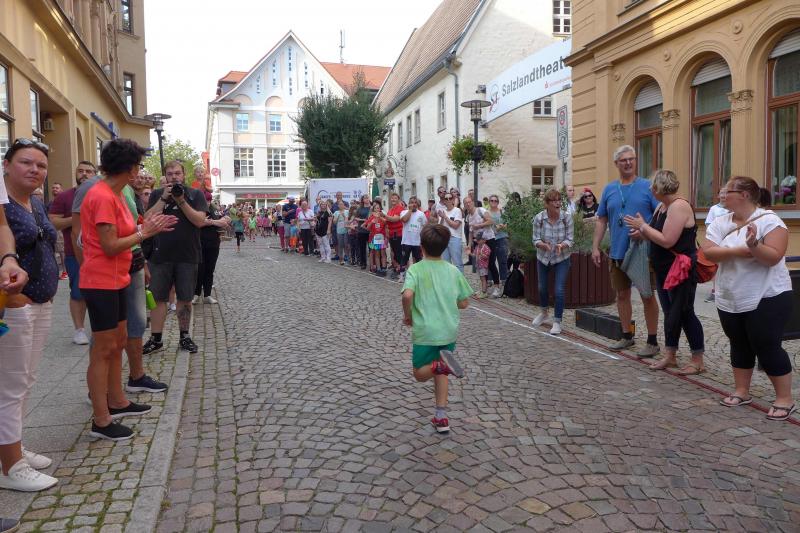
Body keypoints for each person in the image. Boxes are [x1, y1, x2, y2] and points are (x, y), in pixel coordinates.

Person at [78, 139, 176, 441]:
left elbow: (129, 230)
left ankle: (118, 401)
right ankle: (101, 419)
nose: (140, 172)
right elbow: (109, 245)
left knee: (118, 341)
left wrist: (148, 226)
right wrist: (144, 232)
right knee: (103, 349)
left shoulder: (117, 194)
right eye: (138, 166)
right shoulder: (101, 195)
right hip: (100, 281)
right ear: (129, 168)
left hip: (118, 278)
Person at [702, 176, 795, 421]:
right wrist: (739, 250)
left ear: (744, 195)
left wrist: (754, 245)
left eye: (727, 191)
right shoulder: (721, 222)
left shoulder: (770, 221)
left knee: (766, 344)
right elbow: (708, 252)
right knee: (738, 342)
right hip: (731, 295)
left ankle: (785, 399)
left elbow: (773, 257)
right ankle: (742, 391)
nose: (722, 195)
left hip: (768, 294)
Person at [0, 138, 56, 491]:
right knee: (10, 385)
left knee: (26, 380)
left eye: (41, 165)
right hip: (15, 302)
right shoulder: (3, 203)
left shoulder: (34, 202)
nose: (35, 169)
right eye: (26, 162)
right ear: (6, 165)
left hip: (41, 301)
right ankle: (11, 467)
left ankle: (12, 447)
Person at [625, 170, 705, 374]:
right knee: (670, 313)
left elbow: (667, 240)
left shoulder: (679, 206)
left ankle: (697, 360)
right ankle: (670, 355)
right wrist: (641, 231)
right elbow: (654, 233)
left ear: (660, 188)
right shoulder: (662, 207)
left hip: (680, 271)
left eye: (652, 186)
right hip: (663, 269)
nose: (650, 190)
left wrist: (643, 227)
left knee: (685, 312)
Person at [401, 224, 473, 433]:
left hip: (426, 331)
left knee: (420, 373)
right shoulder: (453, 270)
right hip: (448, 330)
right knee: (442, 370)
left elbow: (407, 295)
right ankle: (441, 416)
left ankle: (439, 366)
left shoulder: (416, 269)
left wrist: (408, 315)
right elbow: (464, 302)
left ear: (421, 247)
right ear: (445, 247)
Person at [592, 145, 660, 356]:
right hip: (618, 251)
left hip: (642, 252)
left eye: (632, 159)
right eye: (624, 160)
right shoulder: (609, 189)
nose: (628, 163)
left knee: (647, 295)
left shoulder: (647, 187)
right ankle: (626, 335)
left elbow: (660, 215)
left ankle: (652, 341)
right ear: (616, 164)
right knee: (622, 295)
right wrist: (595, 247)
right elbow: (602, 220)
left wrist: (644, 230)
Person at [143, 160, 209, 355]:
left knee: (185, 297)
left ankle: (184, 336)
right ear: (165, 176)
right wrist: (164, 198)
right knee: (158, 298)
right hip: (159, 255)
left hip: (187, 255)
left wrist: (181, 200)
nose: (174, 177)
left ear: (184, 174)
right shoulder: (157, 194)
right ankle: (156, 339)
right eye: (170, 174)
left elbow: (199, 221)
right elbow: (147, 219)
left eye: (177, 173)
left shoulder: (195, 194)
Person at [48, 160, 96, 345]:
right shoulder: (65, 196)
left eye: (89, 171)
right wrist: (76, 218)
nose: (84, 174)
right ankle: (79, 330)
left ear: (95, 174)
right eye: (81, 171)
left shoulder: (103, 194)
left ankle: (99, 327)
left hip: (102, 252)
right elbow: (54, 222)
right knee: (78, 292)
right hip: (74, 252)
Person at [531, 189, 574, 335]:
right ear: (547, 204)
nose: (557, 203)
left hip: (562, 257)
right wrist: (543, 245)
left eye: (559, 200)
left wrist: (562, 245)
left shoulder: (566, 218)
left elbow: (570, 239)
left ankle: (557, 322)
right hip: (543, 257)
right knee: (542, 287)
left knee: (559, 290)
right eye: (554, 201)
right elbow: (535, 239)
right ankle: (544, 313)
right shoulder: (539, 218)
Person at [194, 198, 229, 304]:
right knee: (200, 270)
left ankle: (207, 295)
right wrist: (211, 222)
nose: (207, 202)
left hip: (213, 244)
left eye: (209, 200)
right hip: (199, 243)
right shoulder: (197, 209)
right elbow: (197, 223)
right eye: (205, 199)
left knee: (210, 270)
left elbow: (225, 222)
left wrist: (211, 222)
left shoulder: (215, 209)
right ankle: (196, 294)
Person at [465, 196, 501, 295]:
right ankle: (484, 289)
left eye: (469, 202)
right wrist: (469, 244)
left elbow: (491, 221)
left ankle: (497, 287)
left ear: (473, 202)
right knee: (482, 265)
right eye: (466, 203)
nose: (468, 204)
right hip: (479, 243)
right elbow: (471, 232)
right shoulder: (468, 217)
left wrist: (479, 225)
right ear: (464, 205)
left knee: (491, 263)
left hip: (489, 239)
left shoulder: (481, 210)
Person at [703, 187, 729, 302]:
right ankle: (714, 291)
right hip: (717, 241)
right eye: (721, 193)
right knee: (716, 266)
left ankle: (726, 292)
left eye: (726, 193)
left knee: (728, 266)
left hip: (730, 241)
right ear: (718, 195)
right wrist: (711, 239)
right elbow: (708, 224)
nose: (723, 195)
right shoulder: (714, 209)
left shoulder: (732, 209)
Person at [396, 196, 427, 283]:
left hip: (417, 242)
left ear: (417, 204)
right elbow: (404, 220)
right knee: (404, 259)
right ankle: (402, 276)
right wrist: (410, 210)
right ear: (409, 204)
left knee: (418, 259)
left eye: (415, 202)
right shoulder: (404, 212)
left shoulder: (421, 214)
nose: (413, 204)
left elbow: (425, 226)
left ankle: (418, 276)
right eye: (412, 202)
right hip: (406, 241)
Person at [435, 193, 464, 273]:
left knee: (457, 263)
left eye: (450, 198)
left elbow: (455, 226)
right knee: (446, 263)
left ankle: (460, 280)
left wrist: (445, 217)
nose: (448, 200)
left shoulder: (457, 210)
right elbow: (440, 227)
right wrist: (442, 218)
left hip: (455, 238)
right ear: (444, 201)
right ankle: (449, 279)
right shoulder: (443, 211)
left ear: (453, 200)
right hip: (445, 239)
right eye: (446, 199)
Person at [487, 194, 509, 283]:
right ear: (489, 202)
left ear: (498, 202)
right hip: (490, 238)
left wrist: (502, 226)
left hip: (502, 237)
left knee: (503, 260)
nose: (494, 202)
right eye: (492, 200)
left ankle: (504, 279)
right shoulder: (486, 212)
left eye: (495, 201)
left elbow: (507, 224)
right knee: (490, 260)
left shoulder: (502, 212)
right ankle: (490, 279)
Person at [365, 200, 388, 275]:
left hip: (382, 238)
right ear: (373, 210)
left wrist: (380, 217)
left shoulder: (383, 217)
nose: (377, 209)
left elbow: (386, 223)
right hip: (375, 238)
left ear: (380, 209)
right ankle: (378, 269)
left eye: (378, 208)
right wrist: (372, 222)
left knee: (383, 253)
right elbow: (367, 228)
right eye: (375, 208)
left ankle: (384, 268)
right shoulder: (371, 217)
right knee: (376, 254)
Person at [385, 192, 405, 277]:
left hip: (398, 234)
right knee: (395, 253)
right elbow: (387, 221)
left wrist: (384, 216)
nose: (393, 199)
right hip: (391, 234)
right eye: (392, 198)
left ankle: (401, 271)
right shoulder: (390, 210)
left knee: (399, 253)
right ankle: (398, 269)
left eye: (395, 198)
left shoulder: (400, 208)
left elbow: (395, 219)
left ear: (398, 199)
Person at [355, 194, 371, 269]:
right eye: (365, 198)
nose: (366, 199)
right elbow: (356, 218)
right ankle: (363, 263)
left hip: (370, 230)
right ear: (363, 200)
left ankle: (372, 264)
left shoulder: (372, 207)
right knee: (362, 248)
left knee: (371, 248)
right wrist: (363, 220)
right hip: (361, 230)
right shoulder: (360, 208)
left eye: (367, 198)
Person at [474, 232, 492, 298]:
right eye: (477, 240)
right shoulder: (477, 247)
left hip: (483, 266)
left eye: (479, 240)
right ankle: (482, 290)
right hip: (478, 265)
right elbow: (474, 255)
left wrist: (481, 254)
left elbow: (487, 257)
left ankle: (484, 292)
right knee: (481, 278)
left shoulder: (486, 248)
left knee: (483, 279)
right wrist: (469, 253)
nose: (478, 241)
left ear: (484, 240)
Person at [315, 199, 332, 263]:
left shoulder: (329, 213)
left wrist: (328, 230)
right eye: (322, 204)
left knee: (326, 244)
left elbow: (330, 222)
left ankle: (328, 258)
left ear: (326, 205)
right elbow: (317, 221)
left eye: (324, 204)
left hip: (325, 231)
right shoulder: (319, 212)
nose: (323, 205)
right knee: (320, 244)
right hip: (318, 231)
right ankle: (323, 257)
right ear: (320, 205)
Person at [332, 200, 349, 265]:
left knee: (346, 244)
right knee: (340, 245)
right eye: (340, 204)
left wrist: (344, 216)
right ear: (338, 206)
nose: (341, 205)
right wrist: (338, 217)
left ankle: (347, 258)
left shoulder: (347, 211)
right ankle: (341, 259)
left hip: (346, 230)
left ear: (344, 205)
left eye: (342, 204)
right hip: (339, 230)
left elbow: (348, 220)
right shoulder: (336, 212)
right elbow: (334, 222)